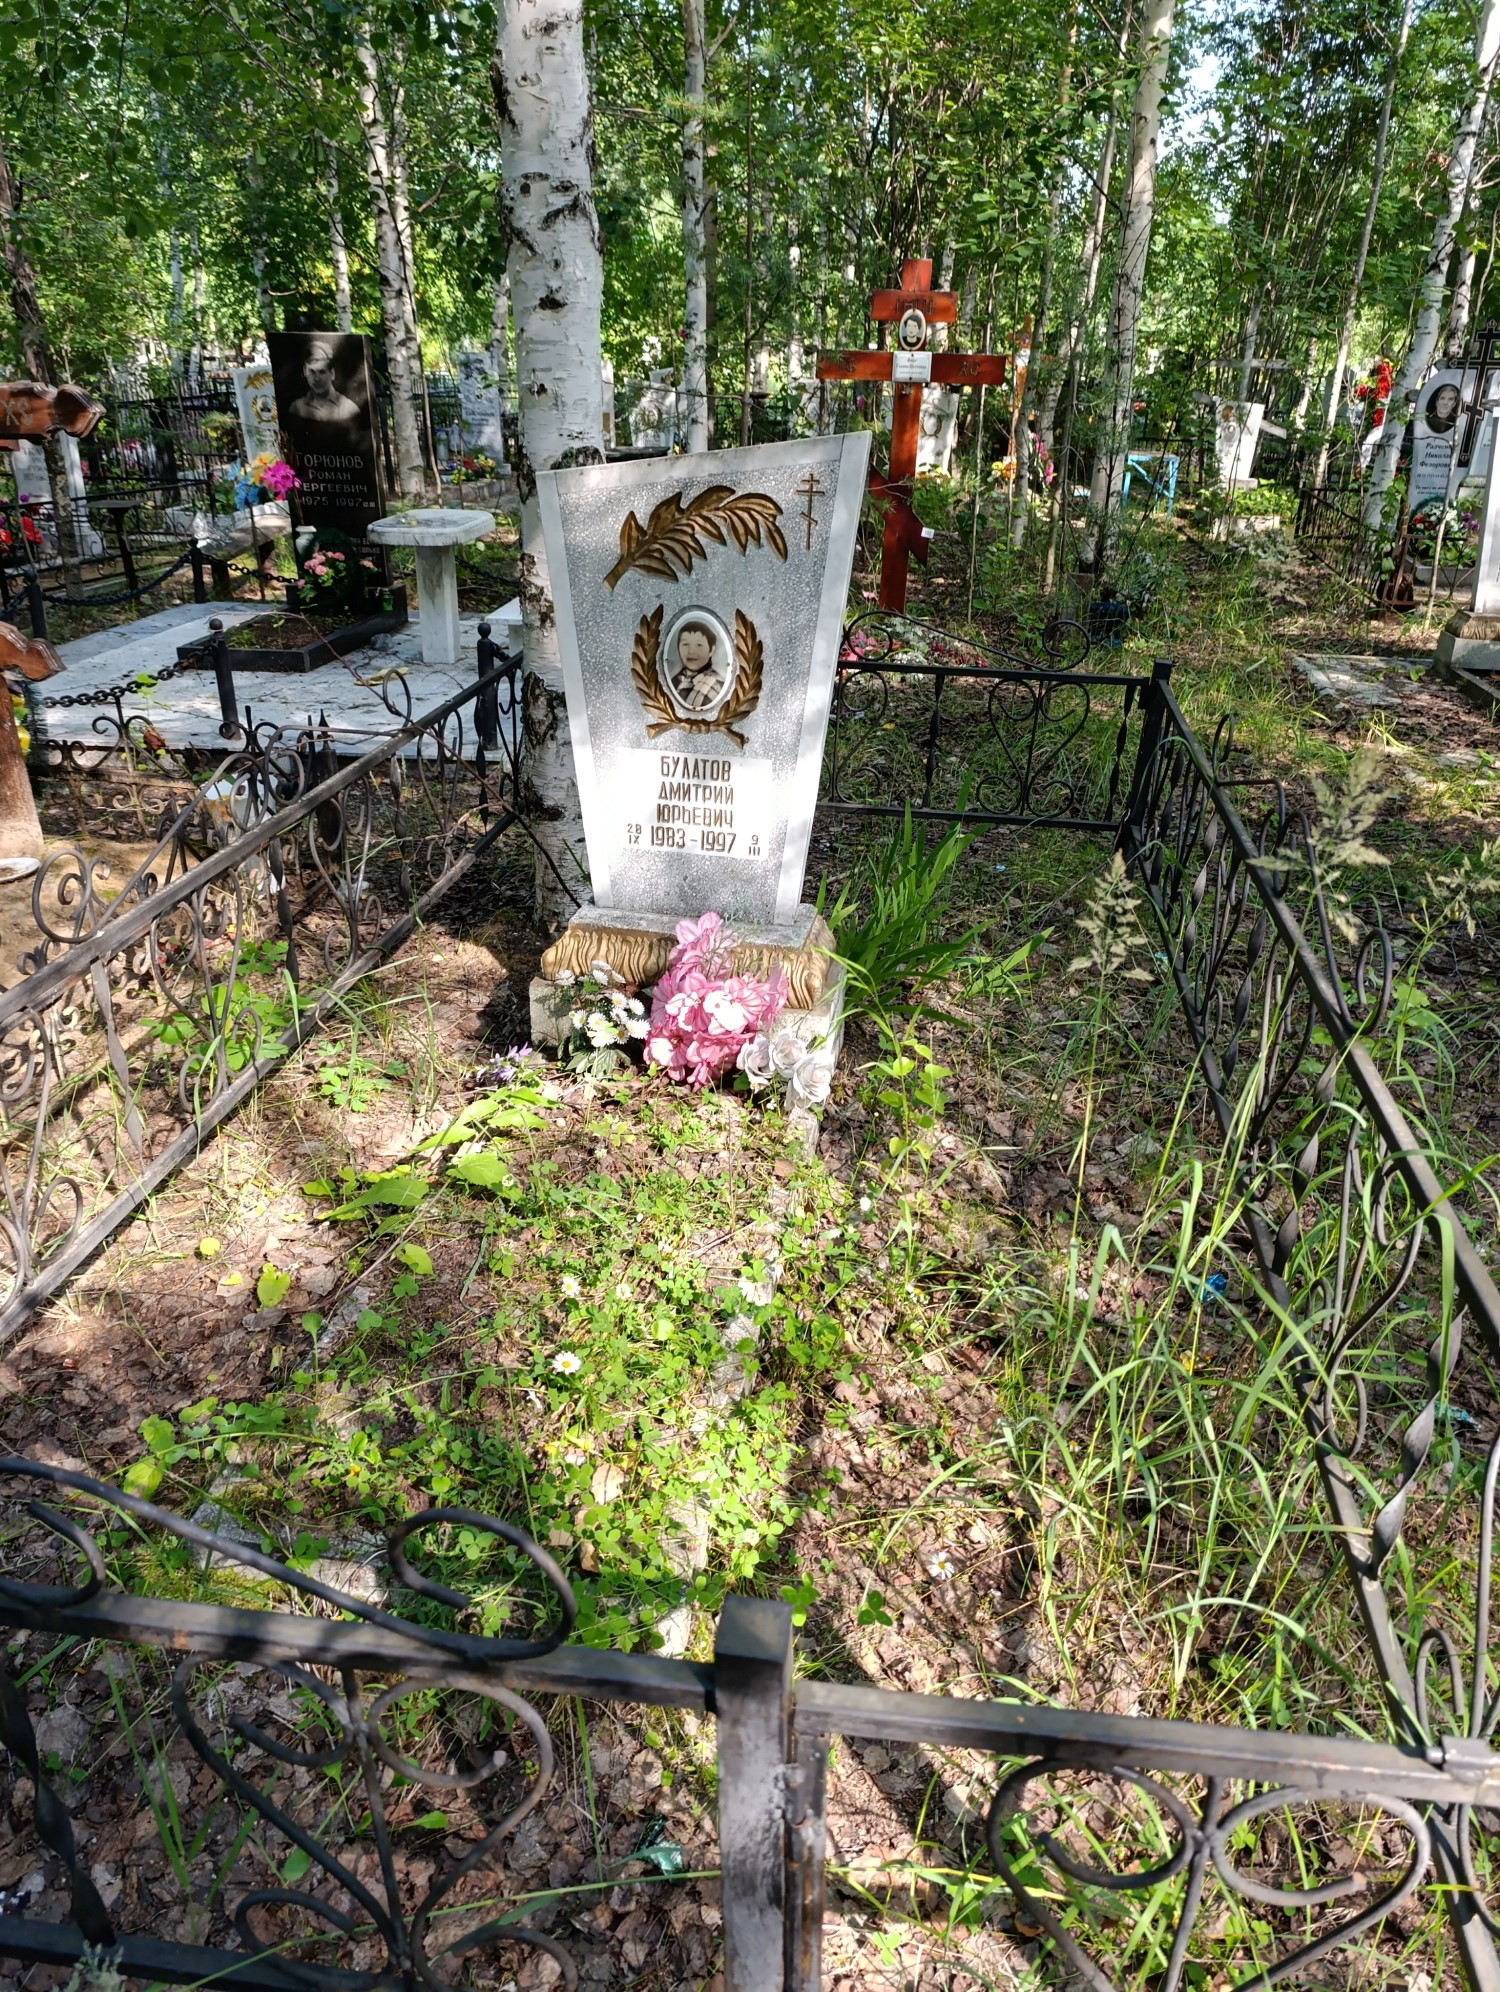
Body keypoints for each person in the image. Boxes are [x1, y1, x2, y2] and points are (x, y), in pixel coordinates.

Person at [288, 341, 361, 425]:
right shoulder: (296, 408)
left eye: (322, 372)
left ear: (332, 374)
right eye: (312, 372)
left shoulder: (349, 409)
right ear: (305, 371)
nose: (317, 378)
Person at [669, 620, 725, 710]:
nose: (691, 651)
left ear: (711, 650)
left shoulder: (715, 685)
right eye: (685, 644)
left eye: (699, 645)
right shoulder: (676, 680)